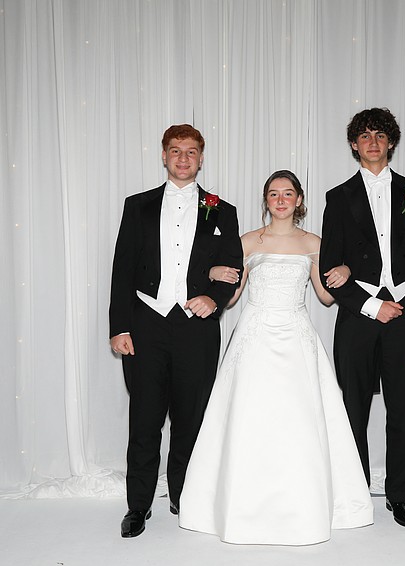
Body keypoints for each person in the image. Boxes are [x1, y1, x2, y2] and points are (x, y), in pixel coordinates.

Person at [178, 170, 374, 545]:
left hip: (297, 337)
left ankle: (302, 505)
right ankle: (239, 505)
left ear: (299, 200)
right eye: (273, 194)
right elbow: (232, 297)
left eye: (288, 193)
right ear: (265, 200)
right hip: (254, 337)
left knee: (298, 419)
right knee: (248, 415)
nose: (280, 199)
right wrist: (213, 273)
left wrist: (344, 269)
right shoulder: (248, 241)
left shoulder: (315, 242)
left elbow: (326, 297)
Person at [109, 124, 243, 538]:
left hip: (196, 329)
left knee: (191, 418)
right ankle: (137, 506)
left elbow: (233, 269)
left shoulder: (224, 210)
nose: (183, 159)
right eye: (175, 151)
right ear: (164, 156)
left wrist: (214, 298)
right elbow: (122, 269)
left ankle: (183, 495)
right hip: (146, 325)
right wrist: (119, 327)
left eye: (191, 152)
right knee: (145, 419)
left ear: (202, 158)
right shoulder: (138, 206)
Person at [319, 108, 405, 528]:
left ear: (391, 143)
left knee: (400, 409)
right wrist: (371, 305)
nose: (372, 141)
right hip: (358, 317)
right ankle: (355, 493)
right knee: (354, 409)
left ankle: (399, 496)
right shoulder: (337, 197)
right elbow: (330, 271)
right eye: (365, 135)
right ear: (354, 144)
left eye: (380, 135)